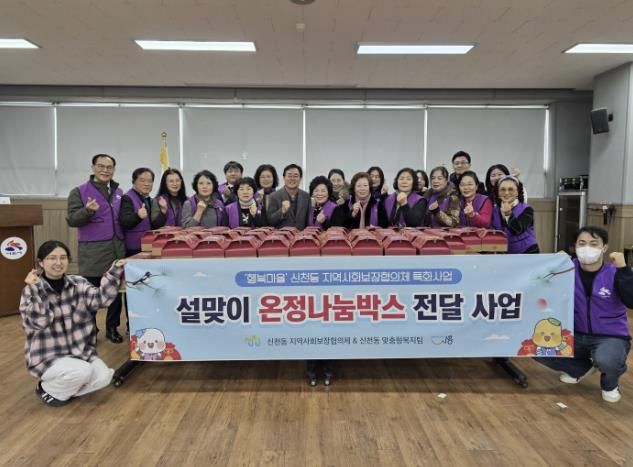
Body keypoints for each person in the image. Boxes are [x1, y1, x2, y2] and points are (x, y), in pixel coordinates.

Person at [19, 240, 127, 407]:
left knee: (105, 377)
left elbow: (101, 300)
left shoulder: (78, 283)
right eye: (52, 258)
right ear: (41, 263)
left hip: (80, 353)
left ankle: (66, 389)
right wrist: (36, 289)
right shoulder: (31, 290)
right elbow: (40, 322)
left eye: (63, 258)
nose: (58, 262)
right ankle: (47, 389)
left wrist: (115, 271)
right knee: (83, 371)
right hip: (49, 357)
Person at [535, 226, 633, 403]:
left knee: (608, 360)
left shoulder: (615, 272)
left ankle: (610, 383)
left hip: (609, 336)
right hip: (574, 334)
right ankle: (579, 368)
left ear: (604, 248)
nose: (587, 248)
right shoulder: (565, 270)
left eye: (594, 244)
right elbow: (537, 284)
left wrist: (624, 269)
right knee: (535, 345)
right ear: (575, 246)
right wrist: (551, 264)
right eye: (582, 243)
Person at [66, 154, 126, 344]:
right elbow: (72, 220)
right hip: (92, 251)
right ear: (93, 168)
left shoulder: (119, 191)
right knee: (90, 292)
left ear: (114, 170)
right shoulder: (79, 191)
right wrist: (88, 210)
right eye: (101, 166)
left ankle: (112, 327)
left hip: (117, 249)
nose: (105, 170)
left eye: (109, 167)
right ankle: (89, 329)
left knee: (115, 292)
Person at [491, 176, 539, 254]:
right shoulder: (495, 210)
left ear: (517, 192)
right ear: (498, 192)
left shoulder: (527, 209)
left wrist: (508, 214)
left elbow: (518, 230)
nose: (506, 193)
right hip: (506, 253)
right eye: (503, 189)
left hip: (528, 251)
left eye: (511, 189)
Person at [119, 167, 155, 257]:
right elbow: (125, 223)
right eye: (142, 181)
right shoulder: (127, 198)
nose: (146, 184)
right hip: (134, 248)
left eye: (150, 181)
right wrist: (138, 216)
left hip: (148, 245)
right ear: (133, 181)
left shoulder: (149, 199)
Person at [267, 164, 310, 230]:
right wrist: (282, 210)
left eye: (295, 176)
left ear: (300, 178)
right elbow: (270, 221)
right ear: (284, 178)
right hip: (281, 235)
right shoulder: (274, 196)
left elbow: (308, 221)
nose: (292, 179)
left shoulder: (306, 196)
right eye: (289, 176)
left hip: (302, 235)